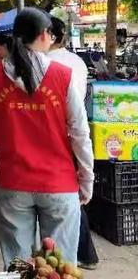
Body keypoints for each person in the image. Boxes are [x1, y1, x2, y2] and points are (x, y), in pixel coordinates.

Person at [0, 8, 94, 267]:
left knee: (18, 265)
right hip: (58, 183)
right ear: (44, 34)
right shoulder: (63, 75)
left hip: (13, 182)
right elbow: (80, 134)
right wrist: (87, 179)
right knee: (58, 266)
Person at [49, 16, 98, 270]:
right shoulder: (76, 60)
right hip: (74, 132)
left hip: (59, 134)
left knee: (66, 201)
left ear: (50, 36)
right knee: (72, 197)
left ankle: (79, 254)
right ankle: (85, 254)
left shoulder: (49, 63)